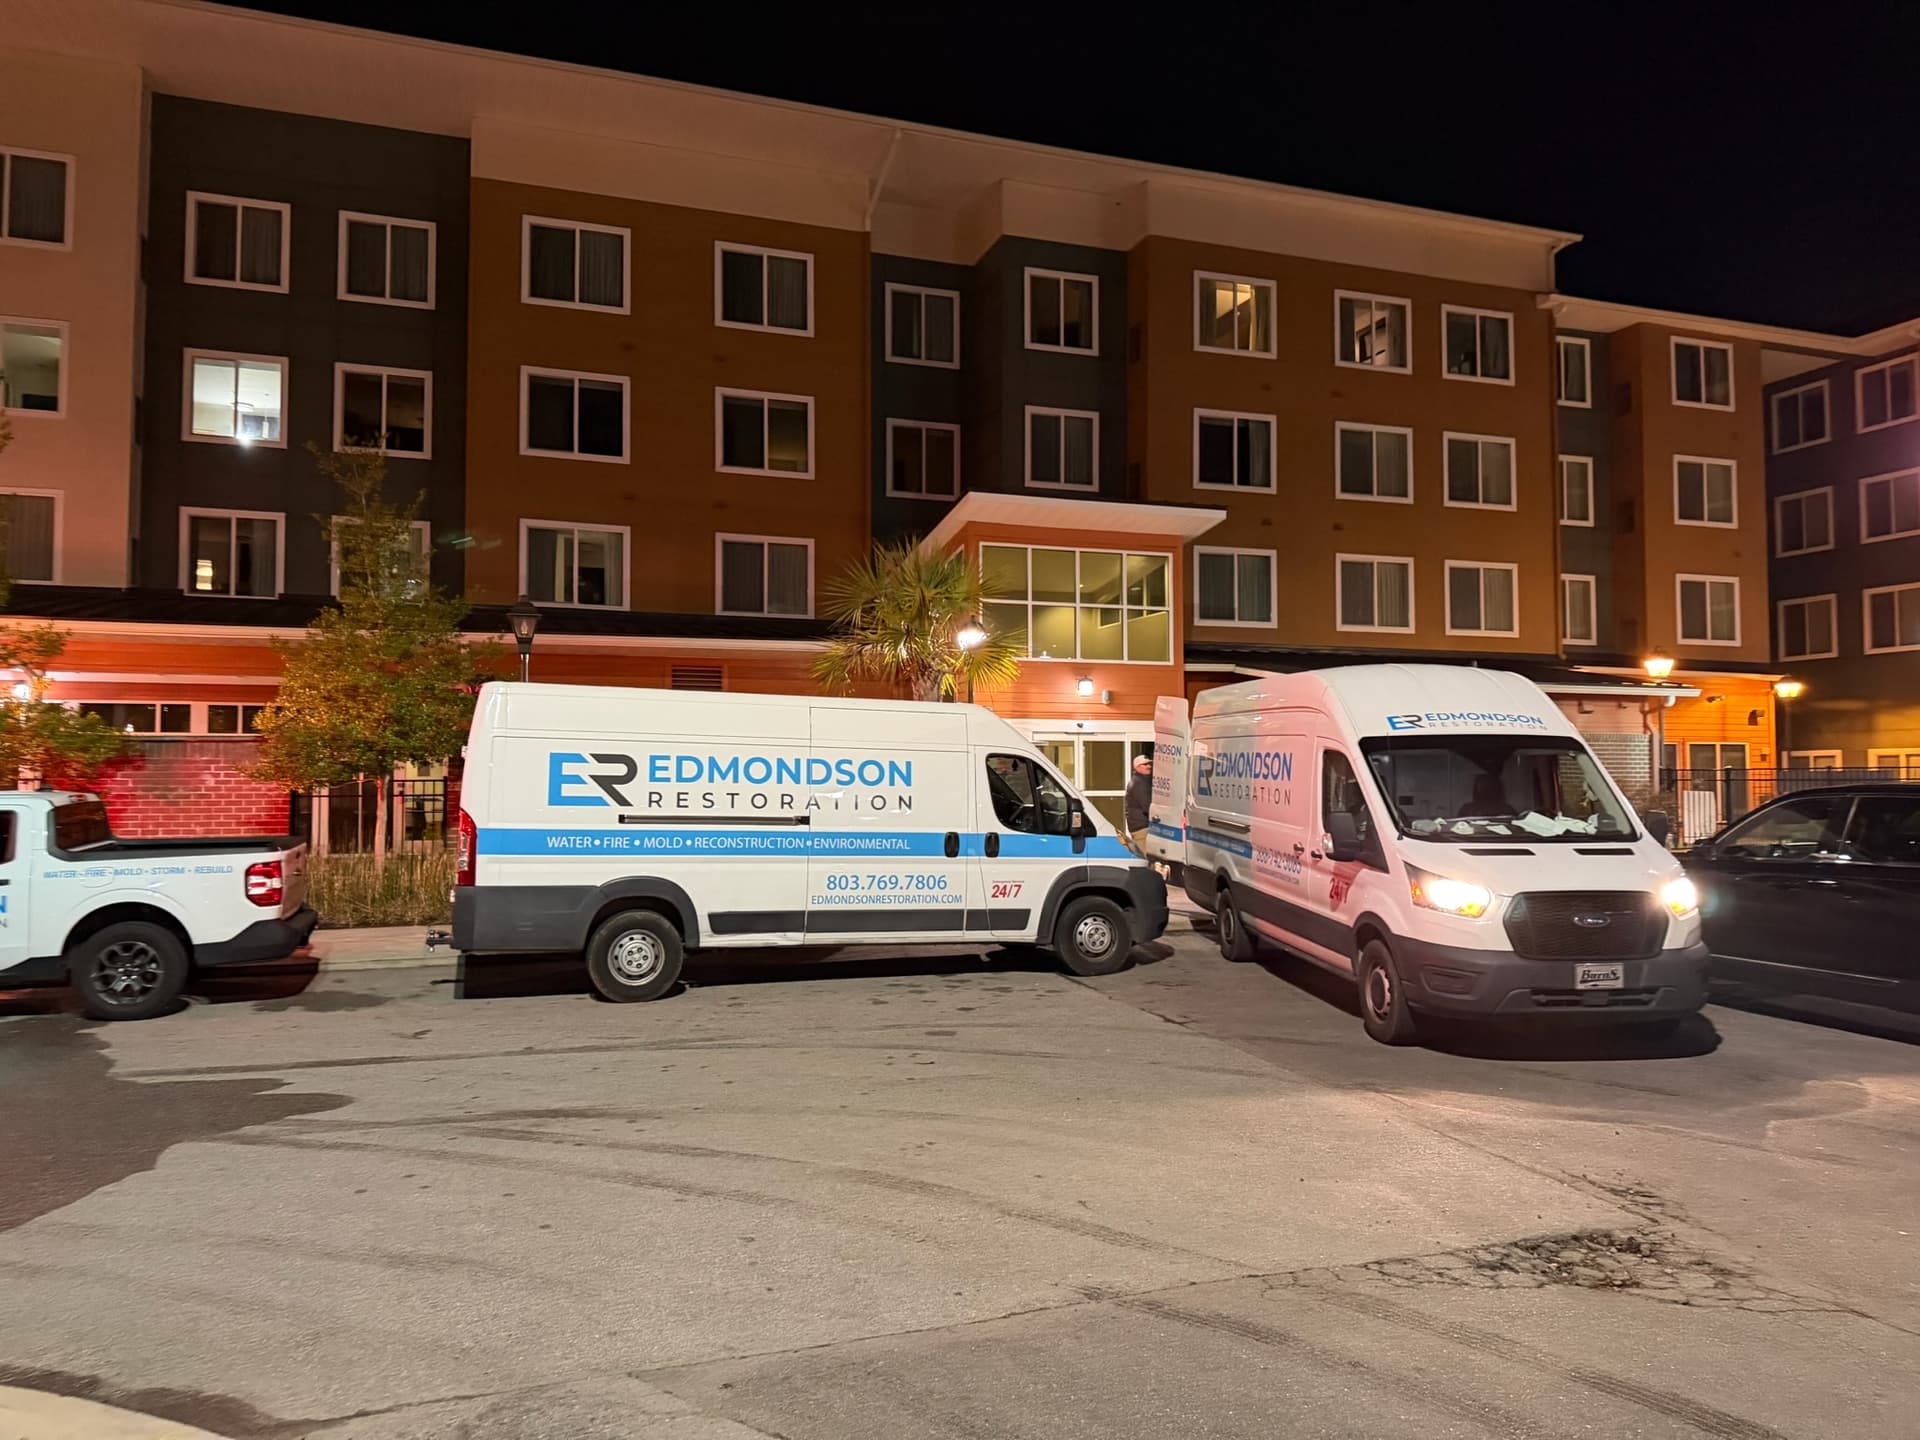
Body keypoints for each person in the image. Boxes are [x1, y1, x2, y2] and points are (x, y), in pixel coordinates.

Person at [1125, 752, 1154, 854]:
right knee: (1145, 859)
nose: (1149, 766)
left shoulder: (1142, 781)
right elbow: (1147, 806)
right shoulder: (1139, 783)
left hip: (1140, 826)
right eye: (1145, 764)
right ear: (1137, 767)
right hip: (1141, 828)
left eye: (1149, 764)